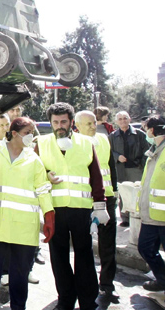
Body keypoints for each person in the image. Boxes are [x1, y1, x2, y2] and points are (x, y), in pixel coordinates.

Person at [0, 117, 55, 310]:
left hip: (23, 227)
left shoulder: (33, 159)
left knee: (19, 275)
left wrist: (49, 215)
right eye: (27, 133)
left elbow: (42, 189)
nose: (31, 137)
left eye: (32, 133)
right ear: (14, 134)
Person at [35, 102, 108, 310]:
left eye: (63, 122)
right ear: (50, 123)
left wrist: (100, 206)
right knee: (58, 257)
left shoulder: (85, 143)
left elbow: (96, 175)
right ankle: (66, 299)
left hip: (81, 209)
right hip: (54, 210)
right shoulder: (42, 143)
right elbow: (34, 172)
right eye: (55, 122)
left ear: (71, 122)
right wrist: (45, 175)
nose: (60, 126)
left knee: (84, 255)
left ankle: (87, 301)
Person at [75, 110, 119, 303]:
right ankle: (84, 287)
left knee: (108, 244)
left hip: (107, 198)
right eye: (88, 124)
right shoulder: (73, 143)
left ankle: (107, 285)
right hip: (84, 200)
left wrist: (115, 192)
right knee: (83, 246)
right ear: (77, 127)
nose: (94, 127)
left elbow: (111, 167)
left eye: (94, 123)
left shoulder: (104, 139)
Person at [137, 115, 165, 293]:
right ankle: (162, 279)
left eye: (146, 128)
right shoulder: (154, 151)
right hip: (151, 215)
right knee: (145, 248)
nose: (145, 132)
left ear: (152, 130)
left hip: (162, 217)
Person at [109, 111, 150, 225]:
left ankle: (139, 216)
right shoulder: (112, 136)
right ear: (116, 121)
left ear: (129, 119)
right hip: (120, 169)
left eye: (125, 118)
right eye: (120, 119)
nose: (123, 121)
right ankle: (125, 218)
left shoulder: (140, 134)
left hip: (136, 168)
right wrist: (117, 157)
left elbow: (146, 151)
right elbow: (108, 151)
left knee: (137, 193)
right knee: (123, 193)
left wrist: (141, 165)